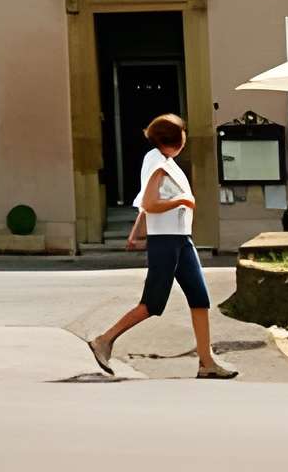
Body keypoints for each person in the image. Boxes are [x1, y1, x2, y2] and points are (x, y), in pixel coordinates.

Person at [84, 114, 234, 380]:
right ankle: (103, 340)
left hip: (180, 239)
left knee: (200, 298)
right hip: (167, 241)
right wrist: (182, 202)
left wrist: (136, 233)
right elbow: (150, 203)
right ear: (172, 141)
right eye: (182, 138)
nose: (185, 141)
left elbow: (144, 205)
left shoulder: (164, 161)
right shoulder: (158, 163)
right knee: (152, 303)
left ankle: (207, 361)